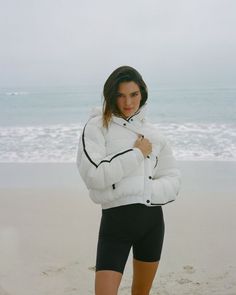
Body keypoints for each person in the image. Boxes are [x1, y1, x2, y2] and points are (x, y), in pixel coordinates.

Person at [76, 65, 181, 295]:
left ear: (142, 93)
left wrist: (146, 190)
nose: (128, 103)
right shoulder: (96, 126)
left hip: (152, 223)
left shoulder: (154, 134)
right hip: (115, 224)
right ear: (111, 96)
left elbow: (172, 178)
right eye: (121, 95)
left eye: (133, 94)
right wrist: (136, 154)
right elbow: (94, 175)